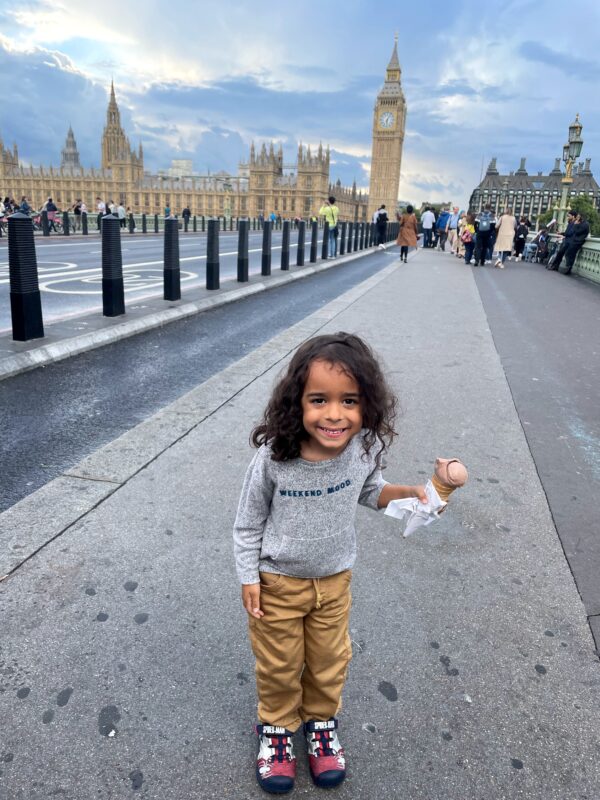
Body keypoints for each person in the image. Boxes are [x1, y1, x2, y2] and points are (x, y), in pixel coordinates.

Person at [234, 332, 427, 794]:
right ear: (296, 401)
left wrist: (412, 494)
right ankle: (277, 728)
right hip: (278, 583)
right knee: (279, 665)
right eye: (319, 400)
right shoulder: (275, 457)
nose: (335, 414)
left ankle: (320, 724)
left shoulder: (359, 450)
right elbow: (247, 523)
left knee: (327, 661)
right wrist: (248, 577)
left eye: (350, 401)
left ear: (367, 406)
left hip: (334, 582)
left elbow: (370, 492)